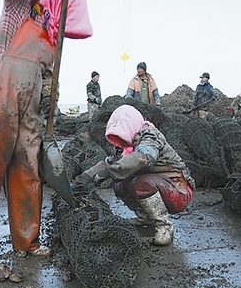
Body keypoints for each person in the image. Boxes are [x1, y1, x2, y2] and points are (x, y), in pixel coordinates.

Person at [0, 0, 92, 257]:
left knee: (28, 170)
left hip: (30, 110)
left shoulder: (52, 41)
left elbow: (47, 84)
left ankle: (27, 241)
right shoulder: (18, 7)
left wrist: (50, 107)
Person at [78, 105, 195, 246]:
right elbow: (109, 163)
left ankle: (164, 226)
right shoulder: (127, 145)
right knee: (119, 184)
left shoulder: (150, 136)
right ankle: (145, 217)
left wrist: (109, 172)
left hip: (178, 190)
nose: (120, 139)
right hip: (160, 186)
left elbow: (144, 157)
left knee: (140, 183)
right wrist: (85, 177)